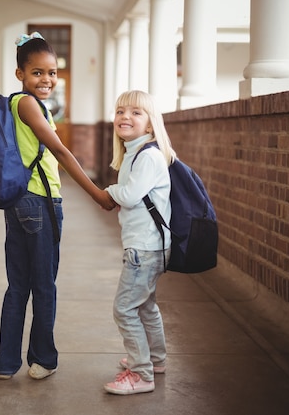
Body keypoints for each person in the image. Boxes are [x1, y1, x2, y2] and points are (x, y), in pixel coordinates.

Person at [0, 32, 116, 381]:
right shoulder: (28, 104)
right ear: (20, 74)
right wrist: (97, 193)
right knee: (43, 285)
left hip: (18, 202)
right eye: (37, 73)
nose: (46, 80)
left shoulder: (18, 104)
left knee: (18, 285)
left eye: (52, 73)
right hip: (39, 202)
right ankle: (43, 359)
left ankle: (4, 363)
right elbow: (61, 151)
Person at [103, 90, 175, 395]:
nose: (125, 117)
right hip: (147, 245)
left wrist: (108, 191)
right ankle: (155, 360)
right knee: (145, 306)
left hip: (144, 248)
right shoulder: (136, 152)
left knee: (124, 308)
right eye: (121, 111)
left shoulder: (148, 155)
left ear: (149, 124)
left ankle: (142, 373)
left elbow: (130, 196)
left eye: (136, 112)